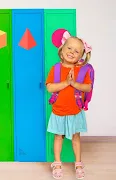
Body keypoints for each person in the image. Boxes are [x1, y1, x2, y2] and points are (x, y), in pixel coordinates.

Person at [46, 36, 92, 179]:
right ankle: (57, 163)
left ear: (82, 55)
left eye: (77, 51)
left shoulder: (82, 70)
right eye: (69, 48)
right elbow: (50, 87)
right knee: (58, 137)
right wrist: (66, 82)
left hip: (75, 111)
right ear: (62, 49)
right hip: (58, 111)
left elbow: (87, 87)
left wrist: (74, 84)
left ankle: (78, 163)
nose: (72, 52)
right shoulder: (56, 68)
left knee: (76, 137)